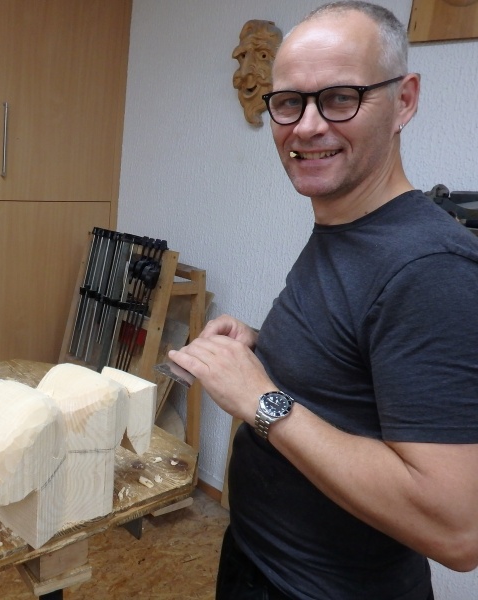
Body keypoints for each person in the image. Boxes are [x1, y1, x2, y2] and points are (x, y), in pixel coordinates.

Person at [169, 2, 478, 598]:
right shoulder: (348, 224)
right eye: (289, 102)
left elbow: (457, 531)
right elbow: (364, 374)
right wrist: (265, 347)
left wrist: (260, 399)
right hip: (257, 558)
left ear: (404, 101)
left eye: (340, 97)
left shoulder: (432, 269)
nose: (307, 127)